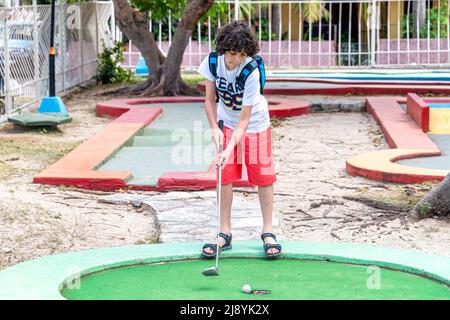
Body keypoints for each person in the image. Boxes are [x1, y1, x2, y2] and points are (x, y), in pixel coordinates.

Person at [197, 20, 281, 258]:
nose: (235, 59)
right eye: (232, 53)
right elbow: (209, 99)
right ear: (223, 48)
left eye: (241, 54)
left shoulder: (251, 70)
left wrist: (228, 147)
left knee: (262, 176)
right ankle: (224, 232)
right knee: (226, 175)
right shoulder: (213, 62)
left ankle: (268, 231)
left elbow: (244, 120)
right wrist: (214, 129)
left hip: (254, 124)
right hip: (225, 122)